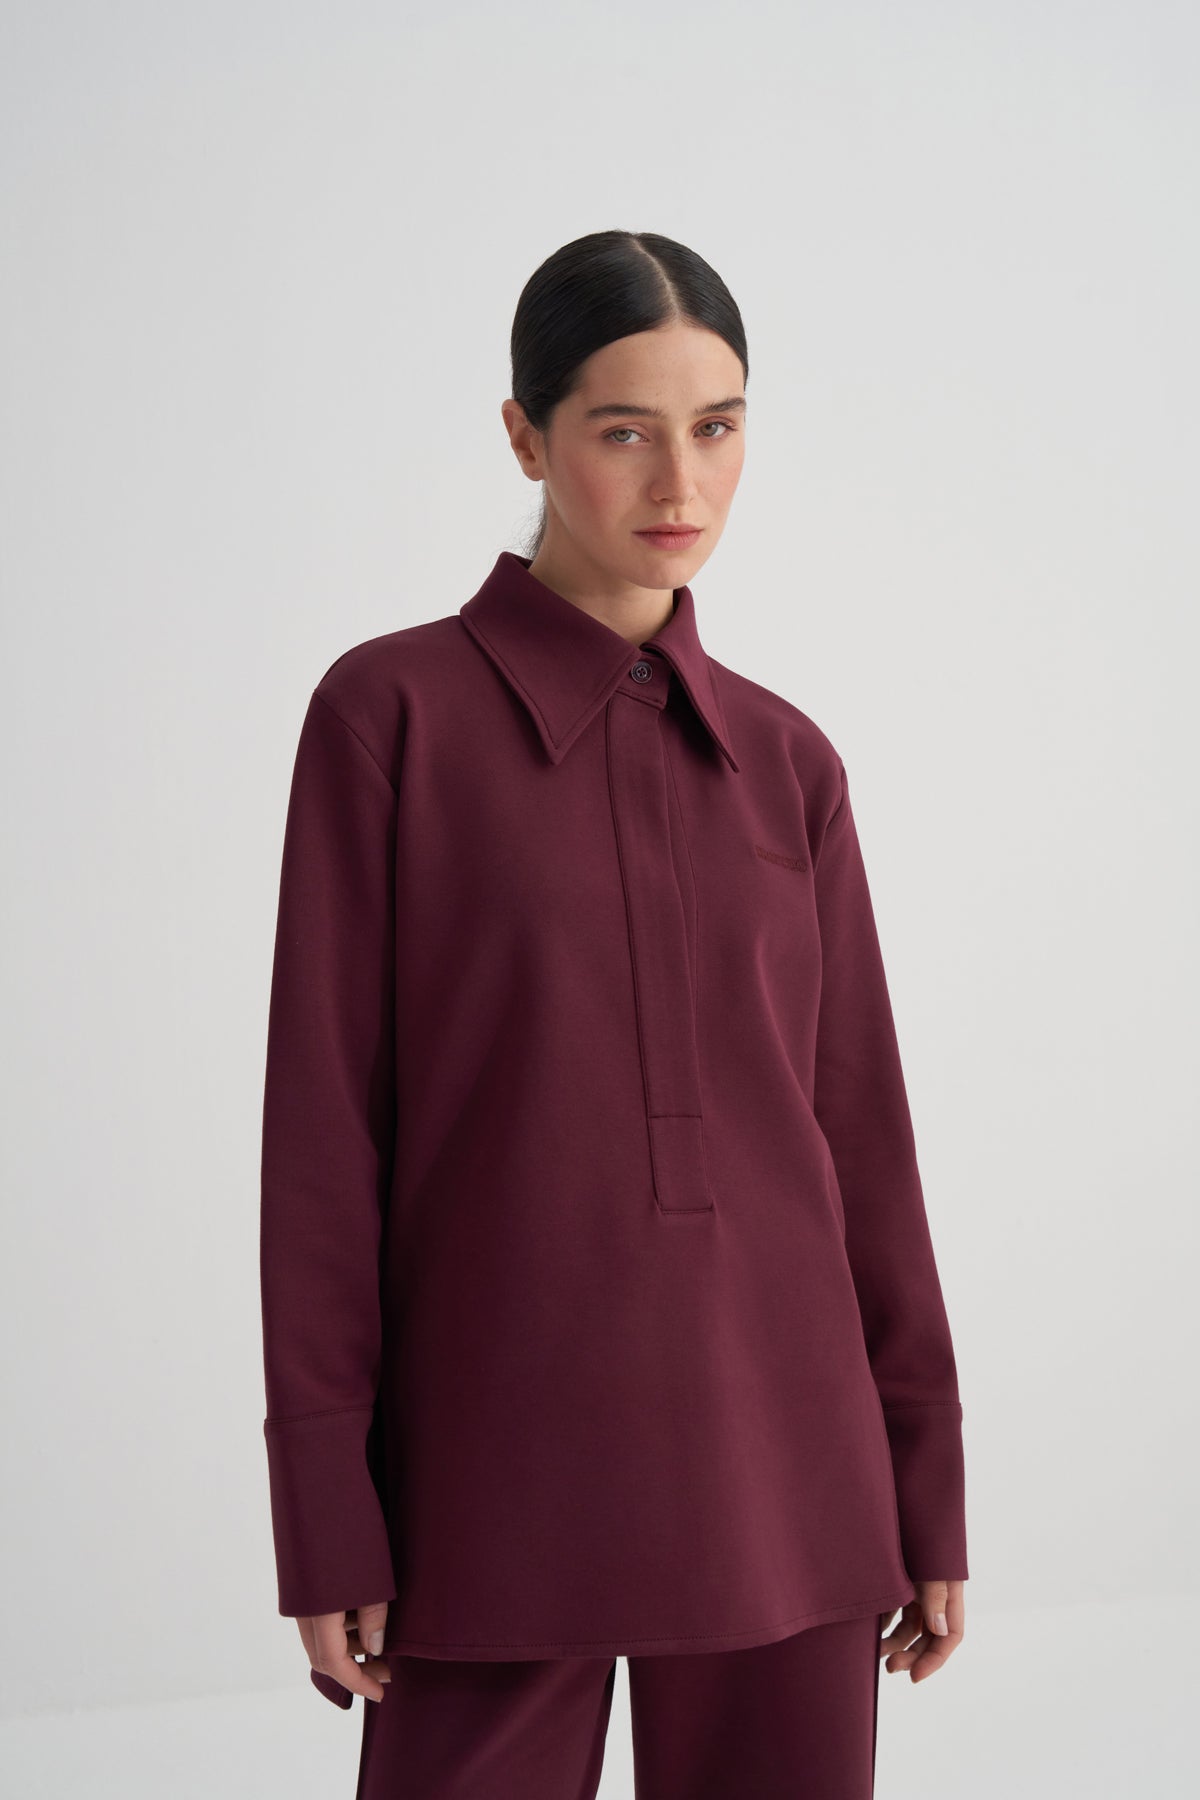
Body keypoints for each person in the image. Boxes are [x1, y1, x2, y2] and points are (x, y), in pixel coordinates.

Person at [259, 229, 968, 1799]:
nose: (681, 482)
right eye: (624, 430)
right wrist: (326, 1503)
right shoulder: (388, 719)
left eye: (717, 426)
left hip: (790, 1466)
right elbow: (322, 1145)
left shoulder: (790, 763)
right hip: (488, 1470)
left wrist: (925, 1479)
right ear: (525, 436)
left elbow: (861, 1144)